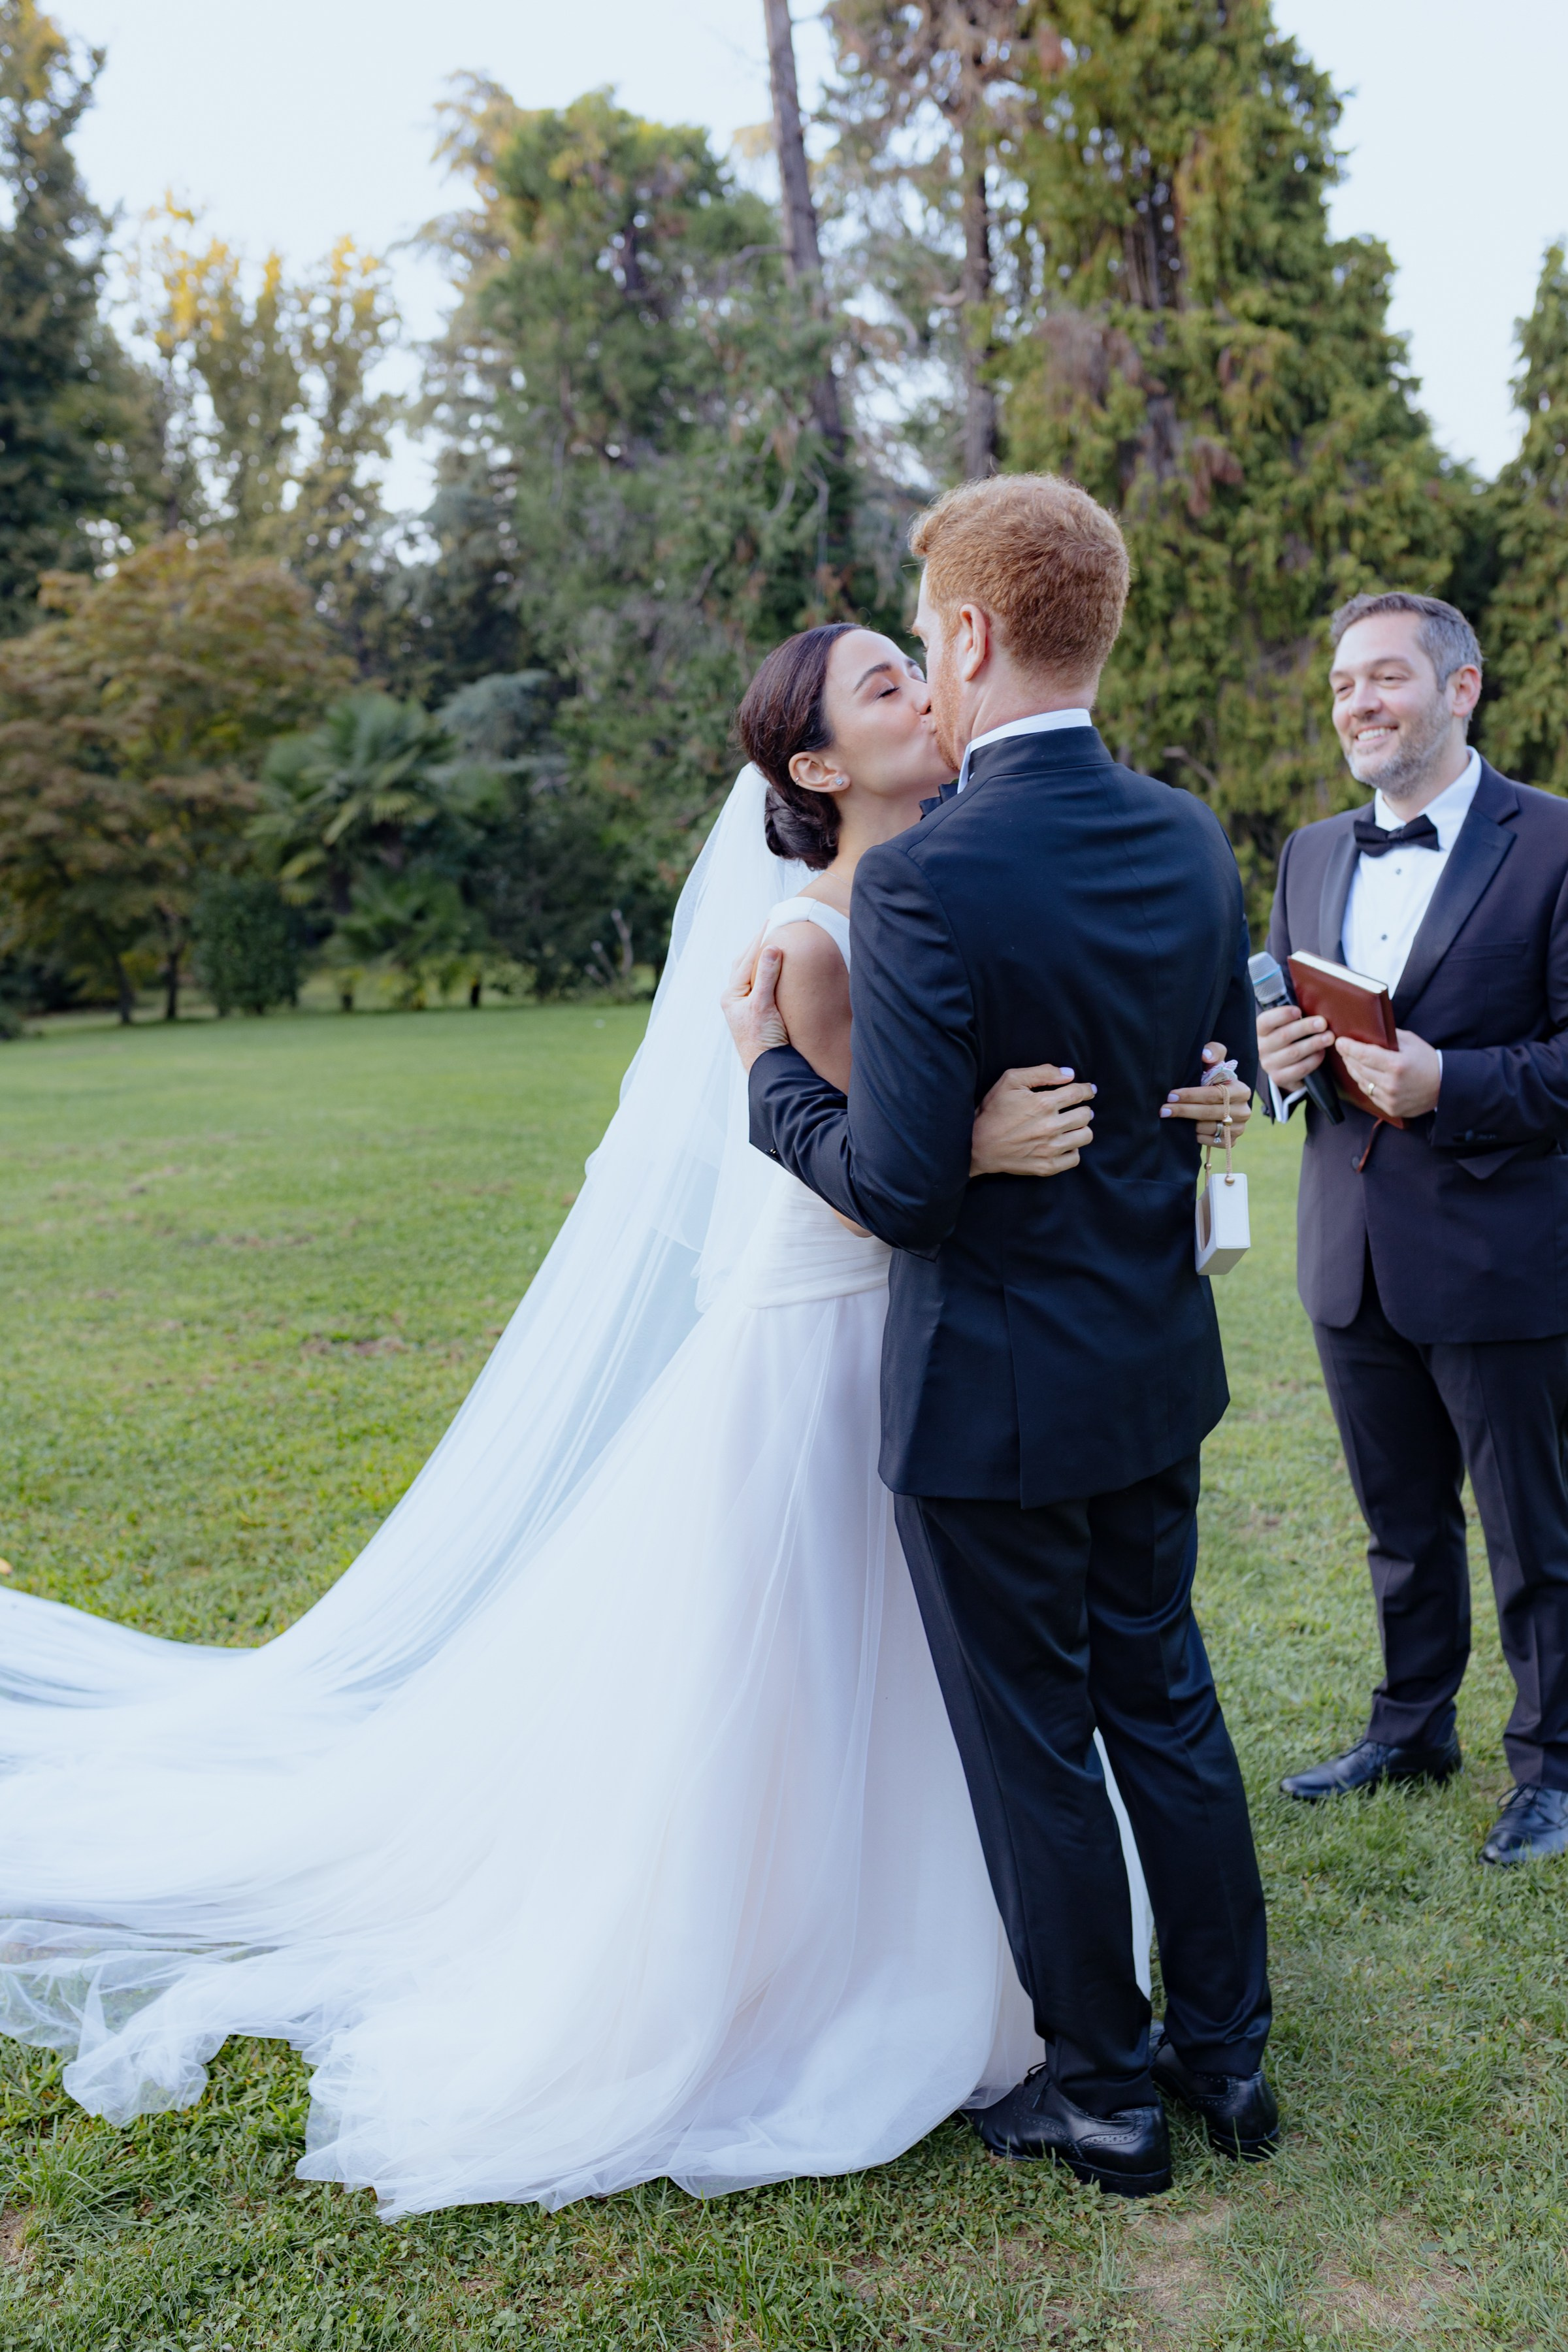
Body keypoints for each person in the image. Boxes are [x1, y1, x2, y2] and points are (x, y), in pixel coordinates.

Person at [0, 616, 1237, 2217]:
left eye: (916, 667)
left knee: (977, 1701)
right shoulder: (806, 945)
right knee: (822, 1679)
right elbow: (892, 1187)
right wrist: (965, 1146)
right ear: (813, 765)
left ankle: (1015, 1981)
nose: (923, 693)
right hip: (841, 1339)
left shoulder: (972, 880)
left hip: (965, 1351)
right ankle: (835, 1956)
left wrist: (1191, 1088)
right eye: (883, 686)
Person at [725, 474, 1276, 2200]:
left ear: (967, 633)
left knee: (1037, 1745)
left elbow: (900, 1187)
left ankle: (1105, 2094)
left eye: (924, 638)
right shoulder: (1191, 833)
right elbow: (1211, 1080)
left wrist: (764, 1086)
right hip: (1153, 1366)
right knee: (1167, 1705)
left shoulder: (927, 882)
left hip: (989, 1403)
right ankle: (1231, 2062)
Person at [1259, 591, 1568, 1867]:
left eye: (1385, 679)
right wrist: (1277, 1058)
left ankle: (1554, 1770)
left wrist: (1456, 1085)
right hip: (1350, 1247)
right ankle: (1412, 1726)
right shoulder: (1311, 854)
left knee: (1535, 1530)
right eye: (1341, 686)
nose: (1357, 706)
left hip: (1502, 1254)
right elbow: (1285, 1014)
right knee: (1401, 1521)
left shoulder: (1553, 843)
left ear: (1461, 688)